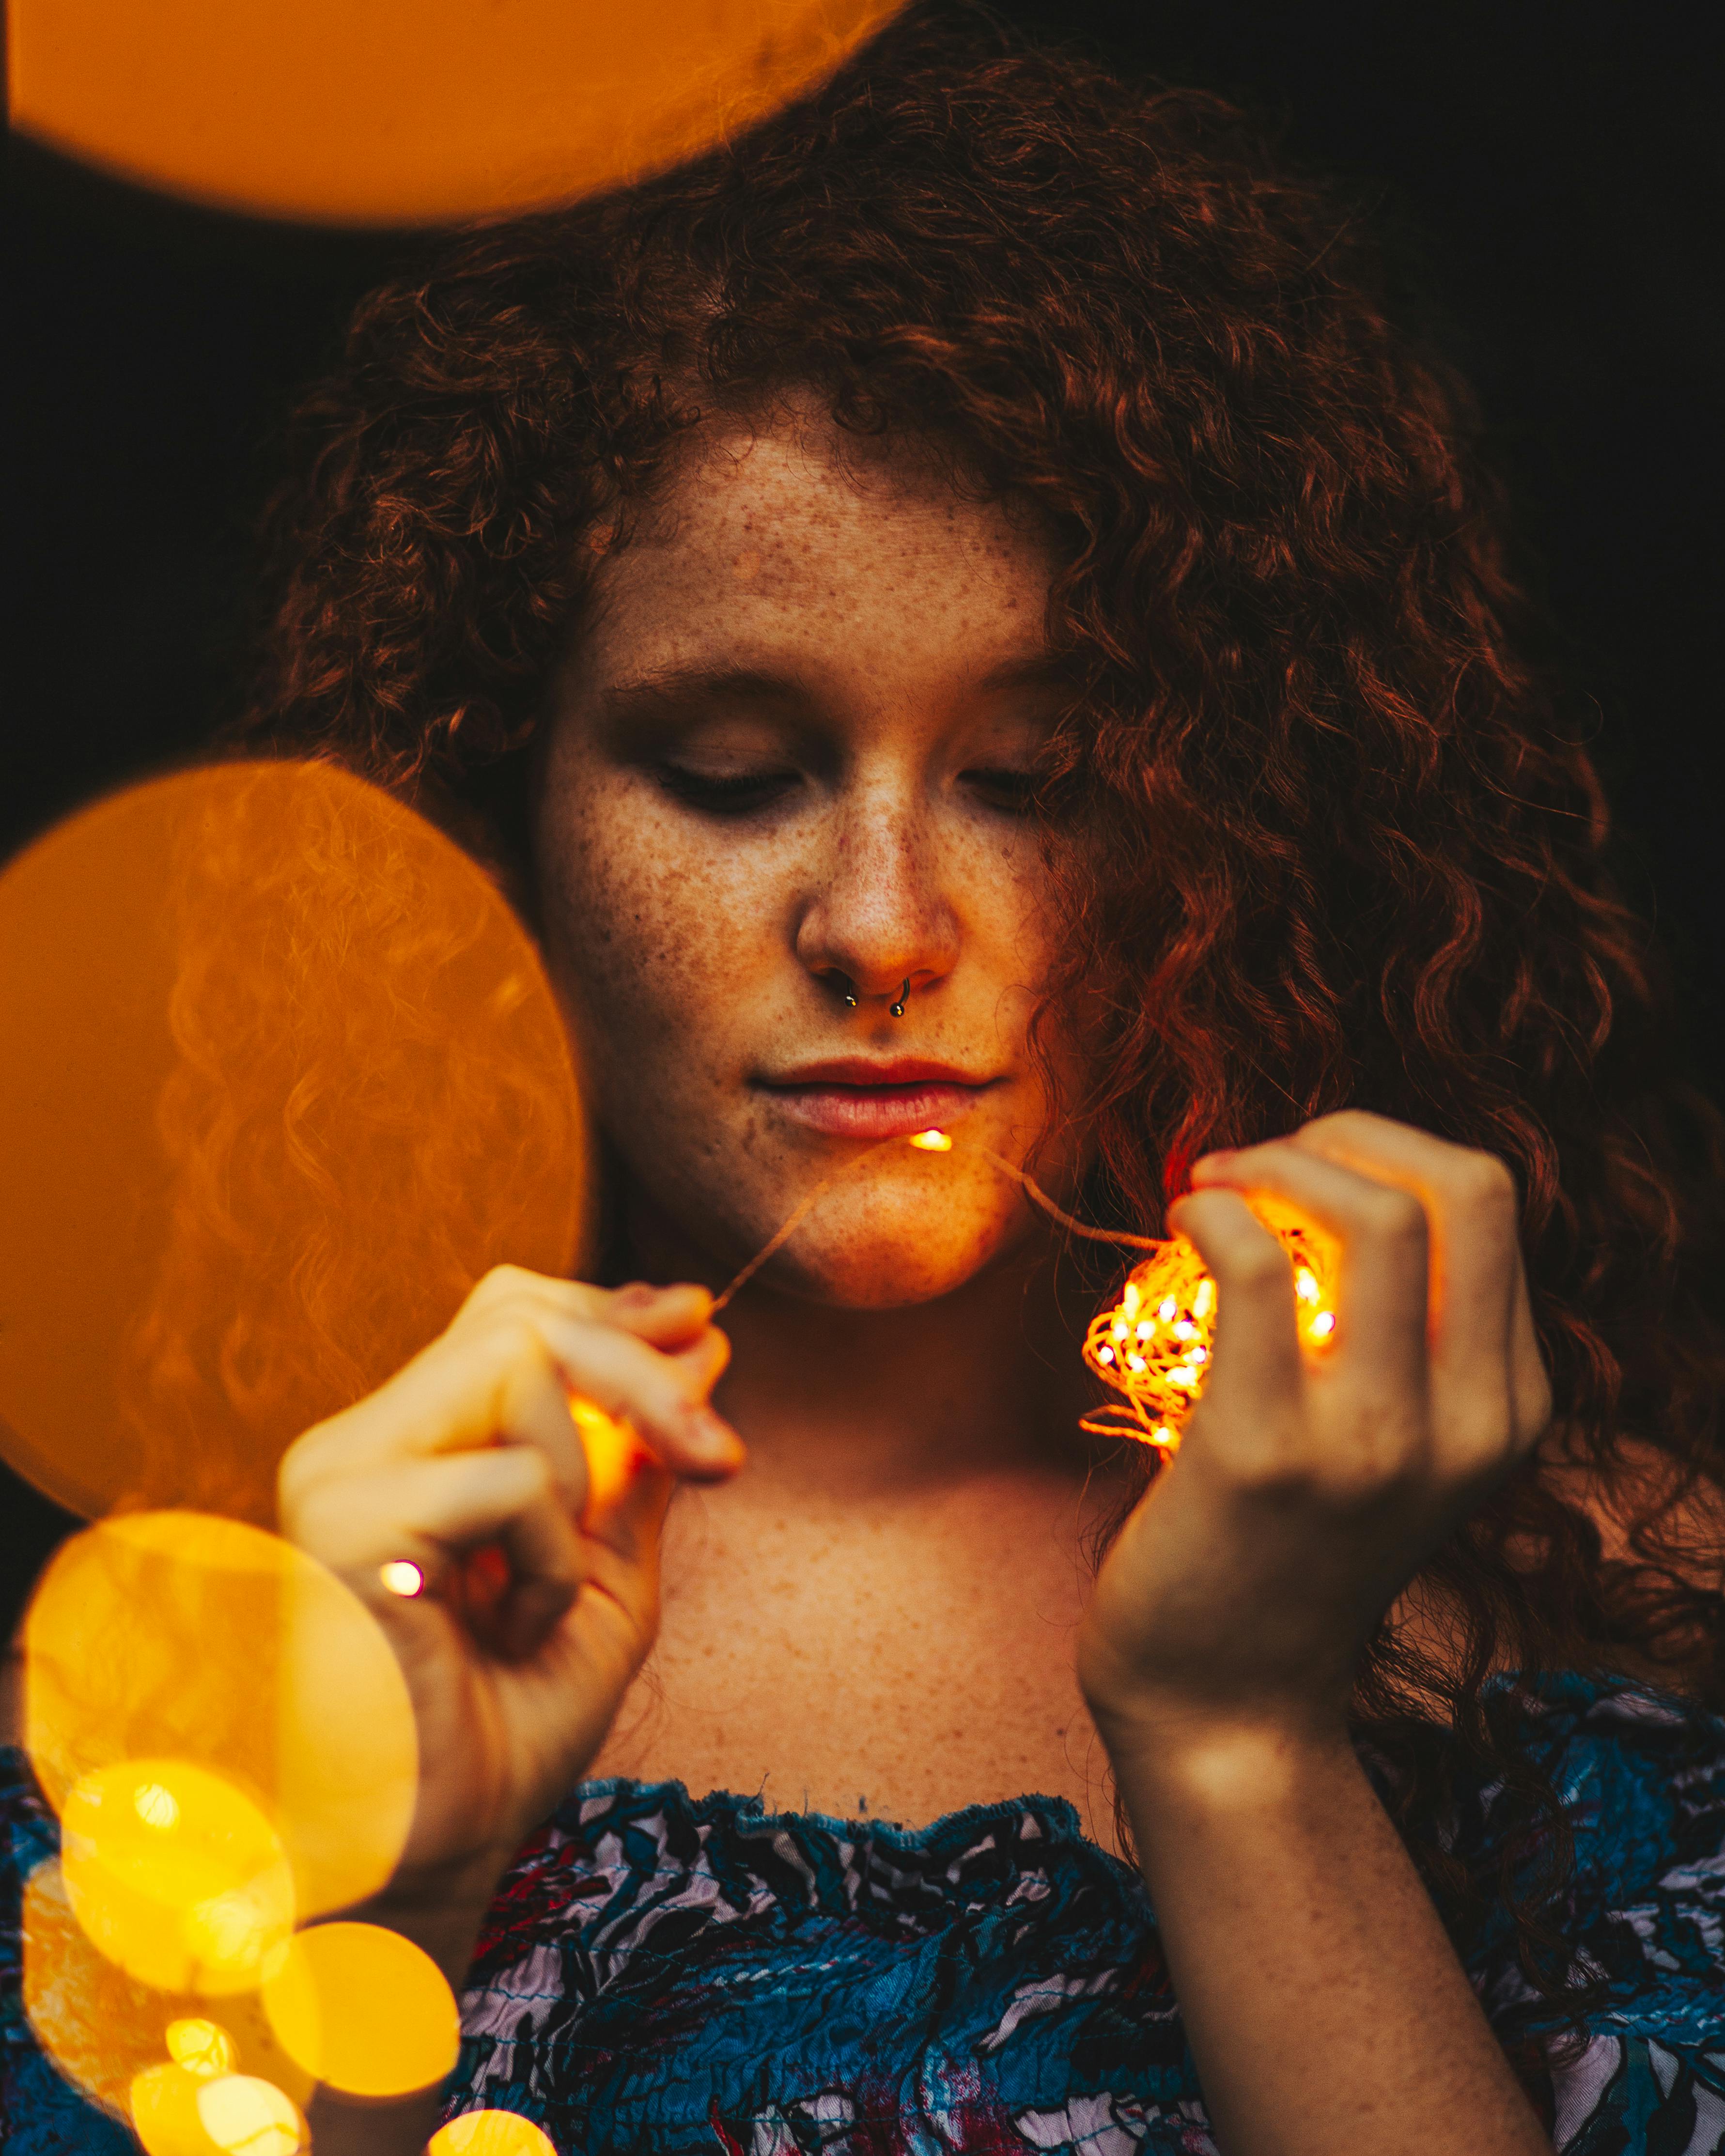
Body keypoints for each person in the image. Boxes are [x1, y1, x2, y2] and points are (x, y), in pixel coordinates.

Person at [6, 10, 1723, 2152]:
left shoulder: (1593, 1608)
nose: (887, 925)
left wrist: (1239, 1742)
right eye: (732, 776)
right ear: (489, 811)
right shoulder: (237, 1666)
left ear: (1243, 819)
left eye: (1037, 776)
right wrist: (388, 1899)